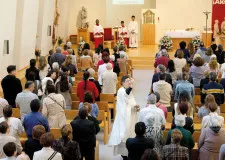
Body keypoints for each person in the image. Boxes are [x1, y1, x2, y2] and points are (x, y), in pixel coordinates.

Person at [108, 76, 139, 159]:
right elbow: (126, 94)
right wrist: (131, 87)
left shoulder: (128, 90)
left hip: (130, 116)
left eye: (129, 80)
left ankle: (129, 153)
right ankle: (124, 156)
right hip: (124, 118)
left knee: (130, 134)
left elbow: (131, 101)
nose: (129, 82)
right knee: (123, 136)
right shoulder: (121, 91)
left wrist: (135, 107)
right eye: (127, 81)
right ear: (122, 82)